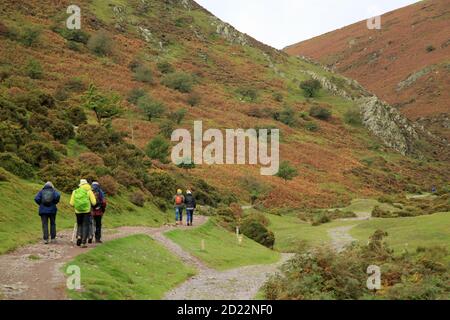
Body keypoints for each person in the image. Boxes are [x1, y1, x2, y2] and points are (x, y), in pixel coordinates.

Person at [70, 179, 96, 248]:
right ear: (87, 184)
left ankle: (79, 236)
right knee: (85, 226)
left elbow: (71, 203)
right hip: (87, 211)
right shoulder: (89, 191)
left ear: (80, 185)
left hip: (77, 211)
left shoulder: (75, 191)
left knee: (79, 224)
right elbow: (94, 202)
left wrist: (77, 205)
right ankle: (83, 243)